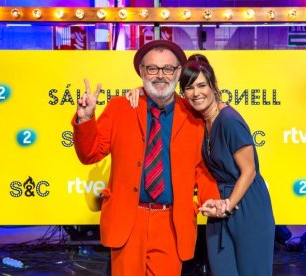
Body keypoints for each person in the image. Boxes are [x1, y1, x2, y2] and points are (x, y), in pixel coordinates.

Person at [72, 40, 220, 276]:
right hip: (128, 220)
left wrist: (210, 198)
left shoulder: (193, 116)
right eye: (152, 68)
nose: (160, 75)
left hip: (171, 223)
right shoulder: (120, 107)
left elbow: (202, 168)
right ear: (142, 72)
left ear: (178, 72)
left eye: (168, 69)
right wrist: (85, 119)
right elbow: (89, 154)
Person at [128, 54, 275, 275]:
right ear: (183, 93)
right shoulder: (197, 120)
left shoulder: (229, 120)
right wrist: (140, 91)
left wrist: (228, 204)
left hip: (246, 204)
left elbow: (250, 171)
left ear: (213, 86)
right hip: (218, 204)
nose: (196, 93)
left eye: (202, 85)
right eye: (189, 88)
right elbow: (161, 94)